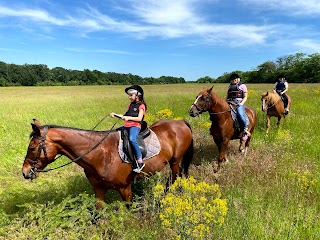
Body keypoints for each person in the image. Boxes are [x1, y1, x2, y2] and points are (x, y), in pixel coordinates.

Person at [110, 85, 147, 173]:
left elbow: (139, 118)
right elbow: (124, 116)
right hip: (127, 126)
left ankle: (140, 160)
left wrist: (128, 118)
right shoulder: (130, 105)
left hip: (135, 126)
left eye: (131, 95)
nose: (129, 97)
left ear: (137, 95)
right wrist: (115, 114)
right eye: (129, 95)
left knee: (132, 139)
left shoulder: (141, 106)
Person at [226, 73, 250, 140]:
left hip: (238, 103)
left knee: (240, 114)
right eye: (232, 79)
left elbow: (245, 97)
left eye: (235, 79)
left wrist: (241, 103)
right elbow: (227, 96)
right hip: (229, 102)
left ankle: (245, 129)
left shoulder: (242, 86)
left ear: (237, 79)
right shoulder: (229, 87)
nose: (233, 80)